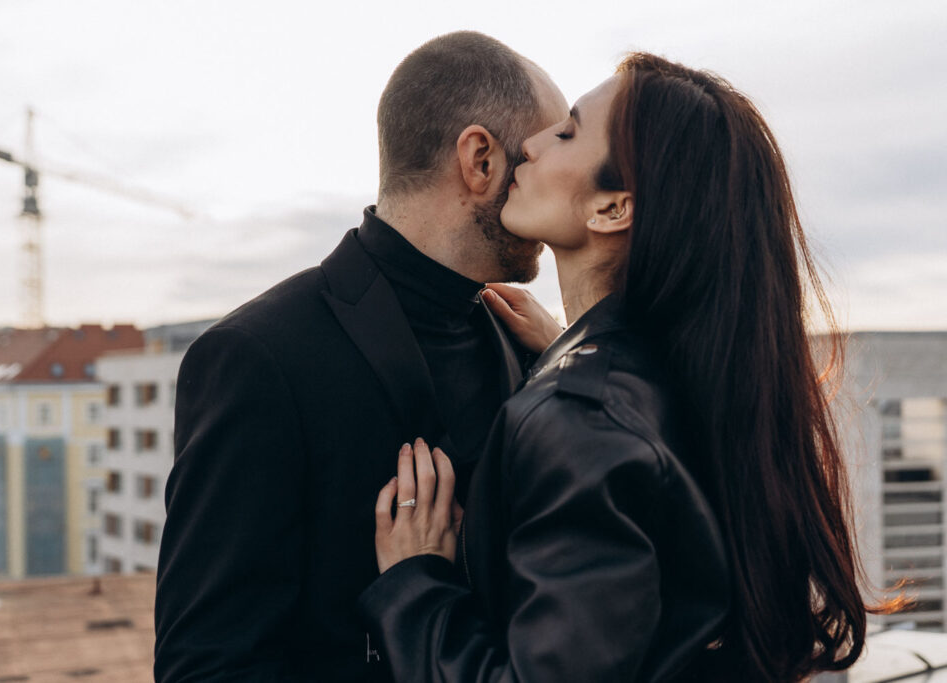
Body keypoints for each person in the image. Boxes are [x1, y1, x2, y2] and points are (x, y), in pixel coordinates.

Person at [358, 53, 888, 682]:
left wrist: (418, 587)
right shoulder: (689, 377)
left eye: (568, 131)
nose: (528, 144)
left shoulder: (582, 419)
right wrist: (569, 353)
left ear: (613, 209)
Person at [153, 32, 568, 682]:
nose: (559, 185)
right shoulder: (257, 356)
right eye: (543, 153)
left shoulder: (528, 347)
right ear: (480, 159)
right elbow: (206, 664)